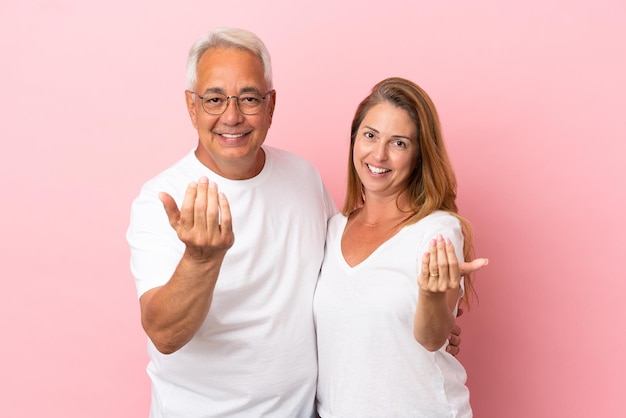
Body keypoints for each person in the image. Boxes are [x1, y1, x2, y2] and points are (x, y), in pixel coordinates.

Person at [127, 28, 479, 417]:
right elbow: (164, 334)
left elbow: (357, 283)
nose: (231, 115)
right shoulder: (161, 199)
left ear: (271, 105)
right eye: (214, 99)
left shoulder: (304, 179)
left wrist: (430, 317)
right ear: (192, 106)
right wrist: (200, 259)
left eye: (249, 99)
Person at [314, 77, 484, 417]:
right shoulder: (331, 230)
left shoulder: (437, 231)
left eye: (399, 143)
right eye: (370, 135)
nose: (379, 154)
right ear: (354, 140)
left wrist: (435, 296)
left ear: (419, 155)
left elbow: (434, 338)